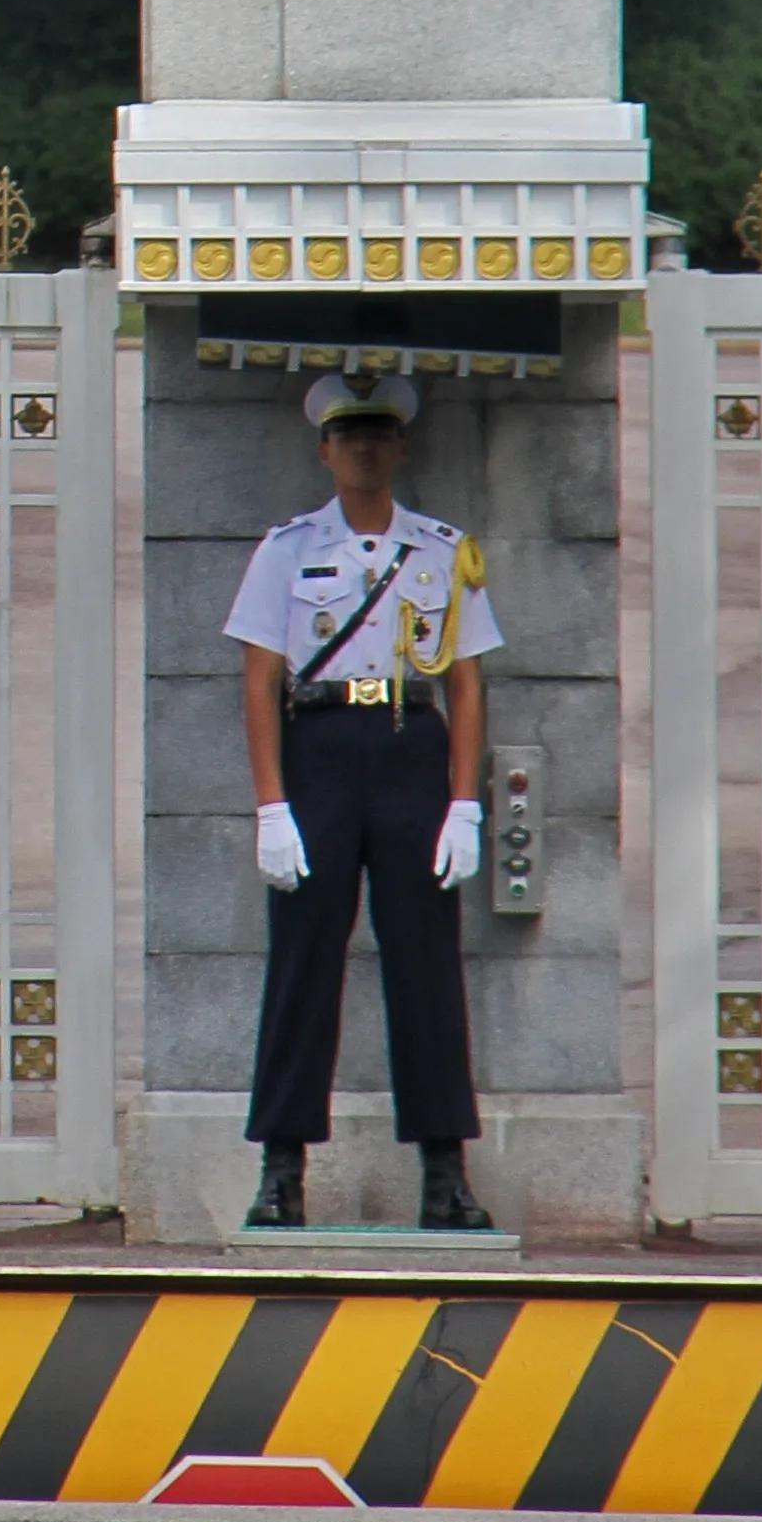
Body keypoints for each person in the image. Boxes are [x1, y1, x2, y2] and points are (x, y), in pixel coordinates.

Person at [232, 369, 500, 1231]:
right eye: (349, 437)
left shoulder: (442, 549)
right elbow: (260, 682)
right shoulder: (286, 549)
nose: (364, 449)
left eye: (378, 435)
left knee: (425, 960)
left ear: (400, 446)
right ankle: (280, 1171)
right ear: (324, 450)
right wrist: (272, 805)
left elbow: (464, 685)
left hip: (406, 749)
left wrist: (465, 803)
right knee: (302, 960)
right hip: (319, 750)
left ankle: (445, 1172)